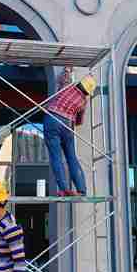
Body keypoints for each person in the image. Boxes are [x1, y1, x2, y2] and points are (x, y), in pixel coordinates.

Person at [43, 66, 96, 196]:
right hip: (67, 125)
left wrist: (67, 69)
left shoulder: (68, 87)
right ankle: (82, 189)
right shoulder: (83, 102)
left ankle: (64, 188)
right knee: (72, 158)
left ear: (80, 83)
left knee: (56, 157)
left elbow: (63, 79)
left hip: (53, 118)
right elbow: (79, 122)